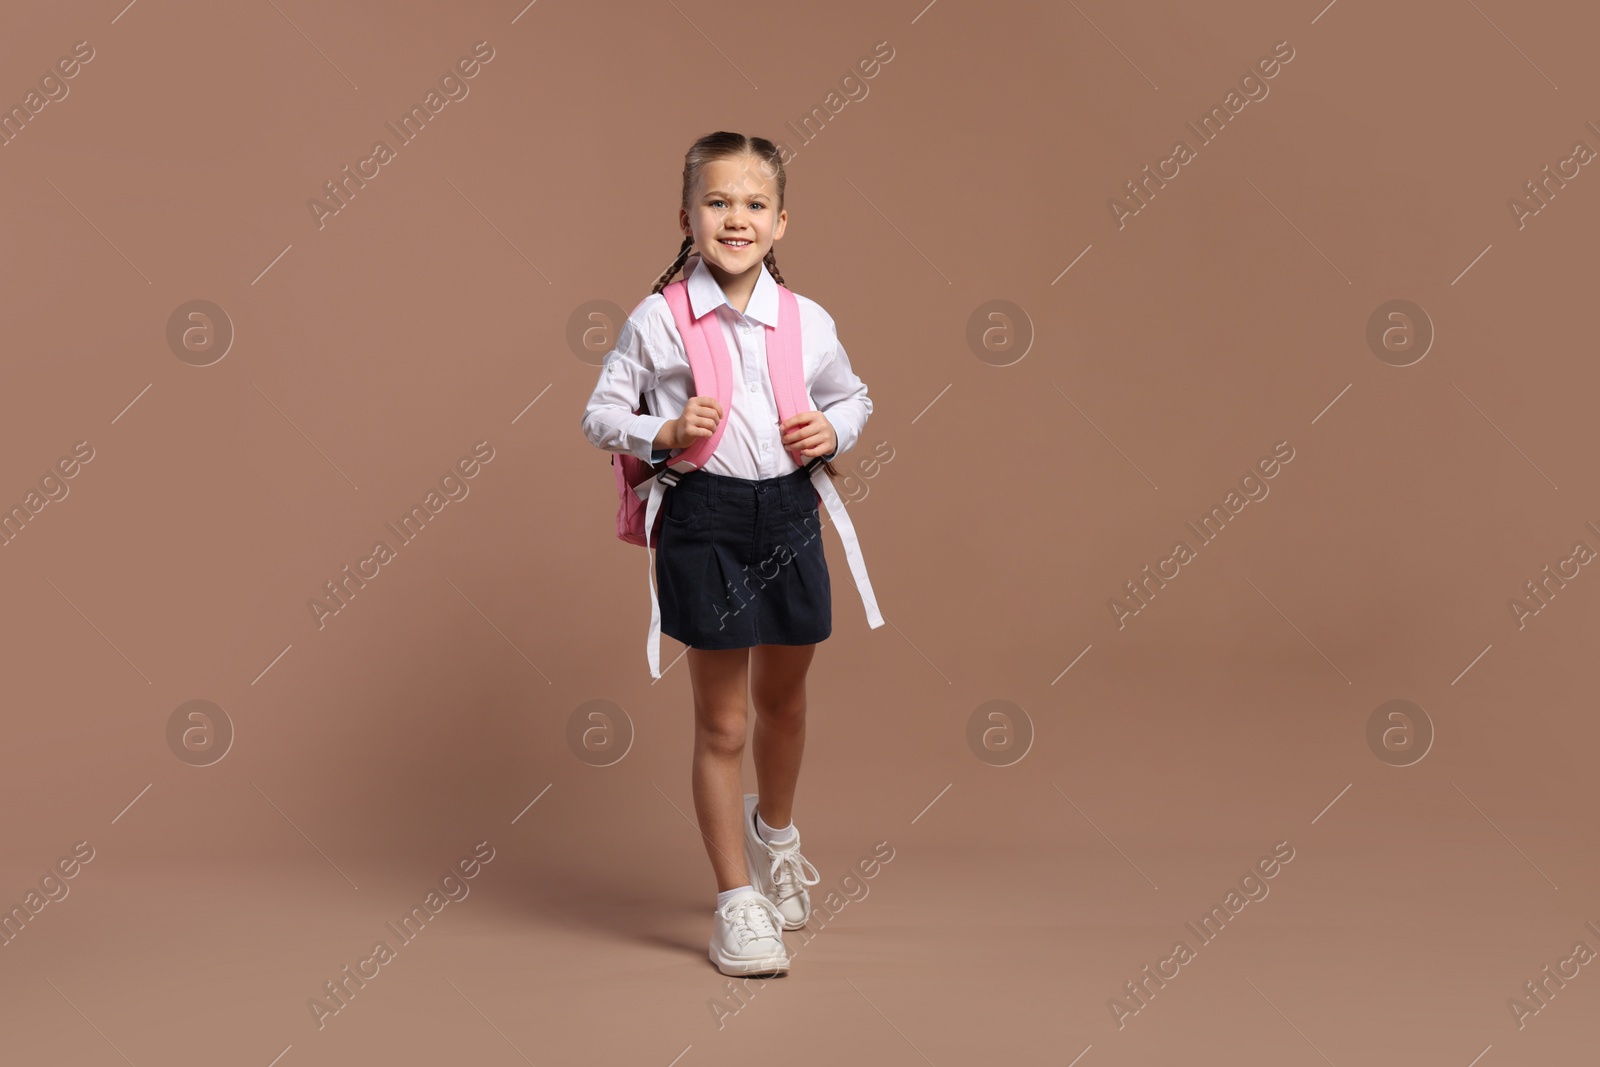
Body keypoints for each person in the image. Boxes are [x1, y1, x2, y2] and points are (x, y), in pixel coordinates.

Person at [579, 131, 875, 977]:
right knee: (724, 719)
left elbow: (854, 395)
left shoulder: (808, 319)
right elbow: (599, 413)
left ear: (782, 221)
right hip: (703, 521)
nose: (735, 218)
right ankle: (736, 902)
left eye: (753, 204)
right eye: (717, 202)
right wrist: (661, 430)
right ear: (686, 216)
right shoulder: (657, 319)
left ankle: (773, 831)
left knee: (785, 704)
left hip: (788, 517)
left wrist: (835, 426)